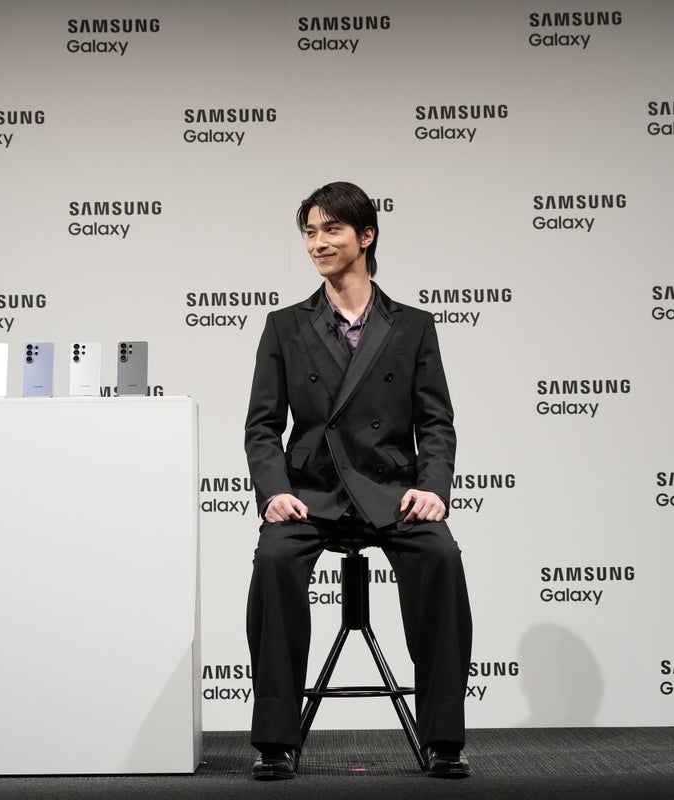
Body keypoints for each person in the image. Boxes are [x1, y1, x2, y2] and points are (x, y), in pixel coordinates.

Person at [244, 181, 473, 780]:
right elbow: (263, 427)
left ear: (366, 236)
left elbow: (436, 421)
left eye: (331, 230)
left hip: (391, 492)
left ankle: (444, 738)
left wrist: (433, 488)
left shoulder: (412, 325)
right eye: (310, 232)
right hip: (311, 494)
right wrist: (275, 492)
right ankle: (275, 740)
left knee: (441, 556)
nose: (318, 243)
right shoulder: (285, 326)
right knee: (273, 561)